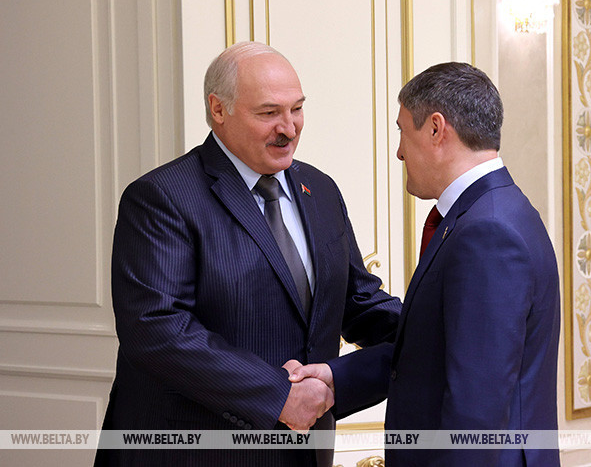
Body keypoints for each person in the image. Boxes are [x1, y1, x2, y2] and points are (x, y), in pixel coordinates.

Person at [95, 41, 401, 467]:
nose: (289, 128)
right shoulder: (161, 197)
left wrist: (435, 327)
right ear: (218, 109)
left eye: (297, 109)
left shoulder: (320, 189)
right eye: (269, 112)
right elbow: (156, 329)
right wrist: (279, 396)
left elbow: (356, 300)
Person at [289, 62, 562, 465]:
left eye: (402, 130)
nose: (399, 151)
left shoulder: (486, 232)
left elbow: (475, 416)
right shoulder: (494, 212)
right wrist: (337, 377)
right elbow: (435, 350)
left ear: (436, 129)